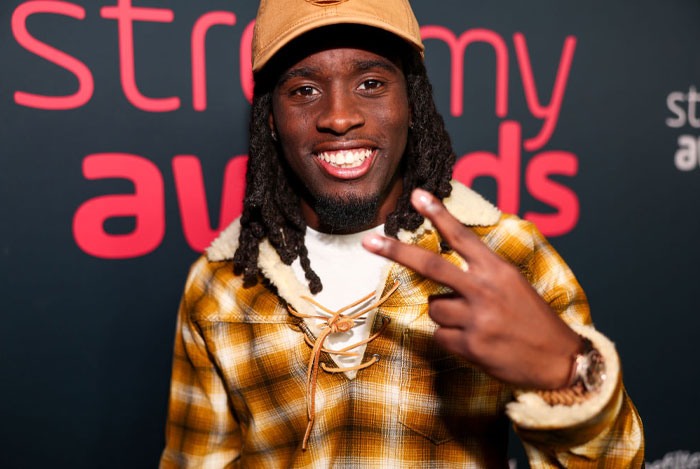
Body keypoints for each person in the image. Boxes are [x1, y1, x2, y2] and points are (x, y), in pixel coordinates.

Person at [160, 0, 644, 466]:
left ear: (412, 104)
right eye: (304, 90)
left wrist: (572, 373)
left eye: (370, 83)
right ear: (270, 119)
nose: (339, 116)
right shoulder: (221, 284)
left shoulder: (506, 256)